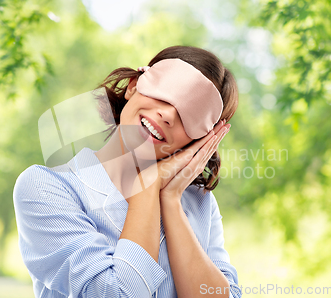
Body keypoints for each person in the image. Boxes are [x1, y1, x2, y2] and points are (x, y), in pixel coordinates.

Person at [13, 45, 242, 298]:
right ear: (134, 85)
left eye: (192, 115)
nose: (167, 115)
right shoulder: (45, 188)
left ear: (201, 140)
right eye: (166, 93)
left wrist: (171, 202)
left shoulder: (200, 204)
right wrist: (148, 185)